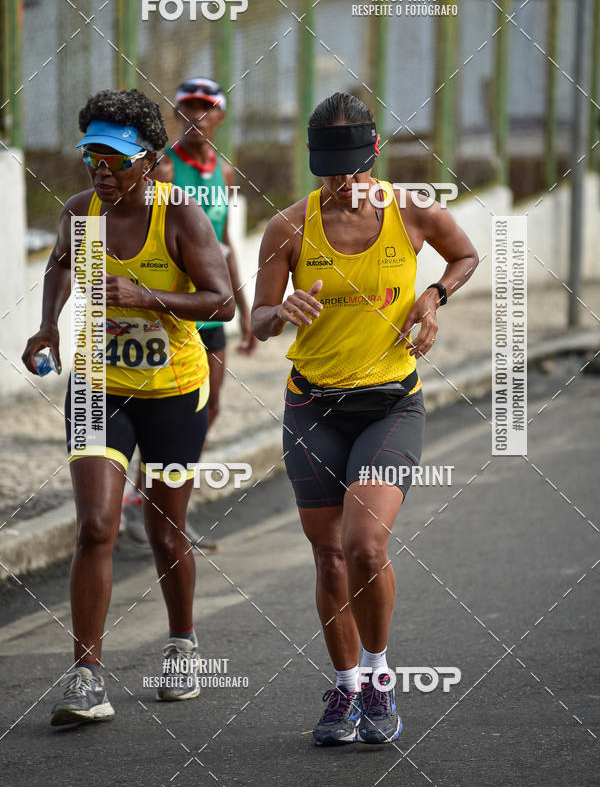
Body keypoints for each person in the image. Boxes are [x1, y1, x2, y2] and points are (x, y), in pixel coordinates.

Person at [251, 92, 479, 745]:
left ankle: (379, 676)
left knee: (364, 545)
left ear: (374, 155)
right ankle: (345, 690)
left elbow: (464, 257)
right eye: (327, 171)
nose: (341, 184)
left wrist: (433, 297)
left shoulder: (413, 211)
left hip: (389, 406)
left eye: (351, 169)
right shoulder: (288, 229)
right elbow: (257, 320)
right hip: (312, 408)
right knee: (328, 559)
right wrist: (282, 312)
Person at [22, 88, 234, 725]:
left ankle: (182, 644)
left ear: (148, 158)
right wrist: (48, 326)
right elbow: (61, 265)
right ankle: (86, 676)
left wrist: (147, 297)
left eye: (114, 161)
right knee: (96, 526)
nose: (101, 173)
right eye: (92, 158)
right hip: (95, 384)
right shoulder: (80, 212)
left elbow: (221, 300)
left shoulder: (181, 216)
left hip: (172, 392)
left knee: (165, 531)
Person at [122, 77, 257, 548]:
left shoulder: (223, 173)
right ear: (177, 115)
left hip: (211, 312)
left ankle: (157, 503)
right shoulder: (161, 167)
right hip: (169, 313)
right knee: (159, 413)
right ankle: (145, 507)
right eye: (187, 110)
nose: (196, 118)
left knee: (209, 407)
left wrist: (243, 312)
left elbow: (224, 247)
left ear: (220, 116)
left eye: (206, 109)